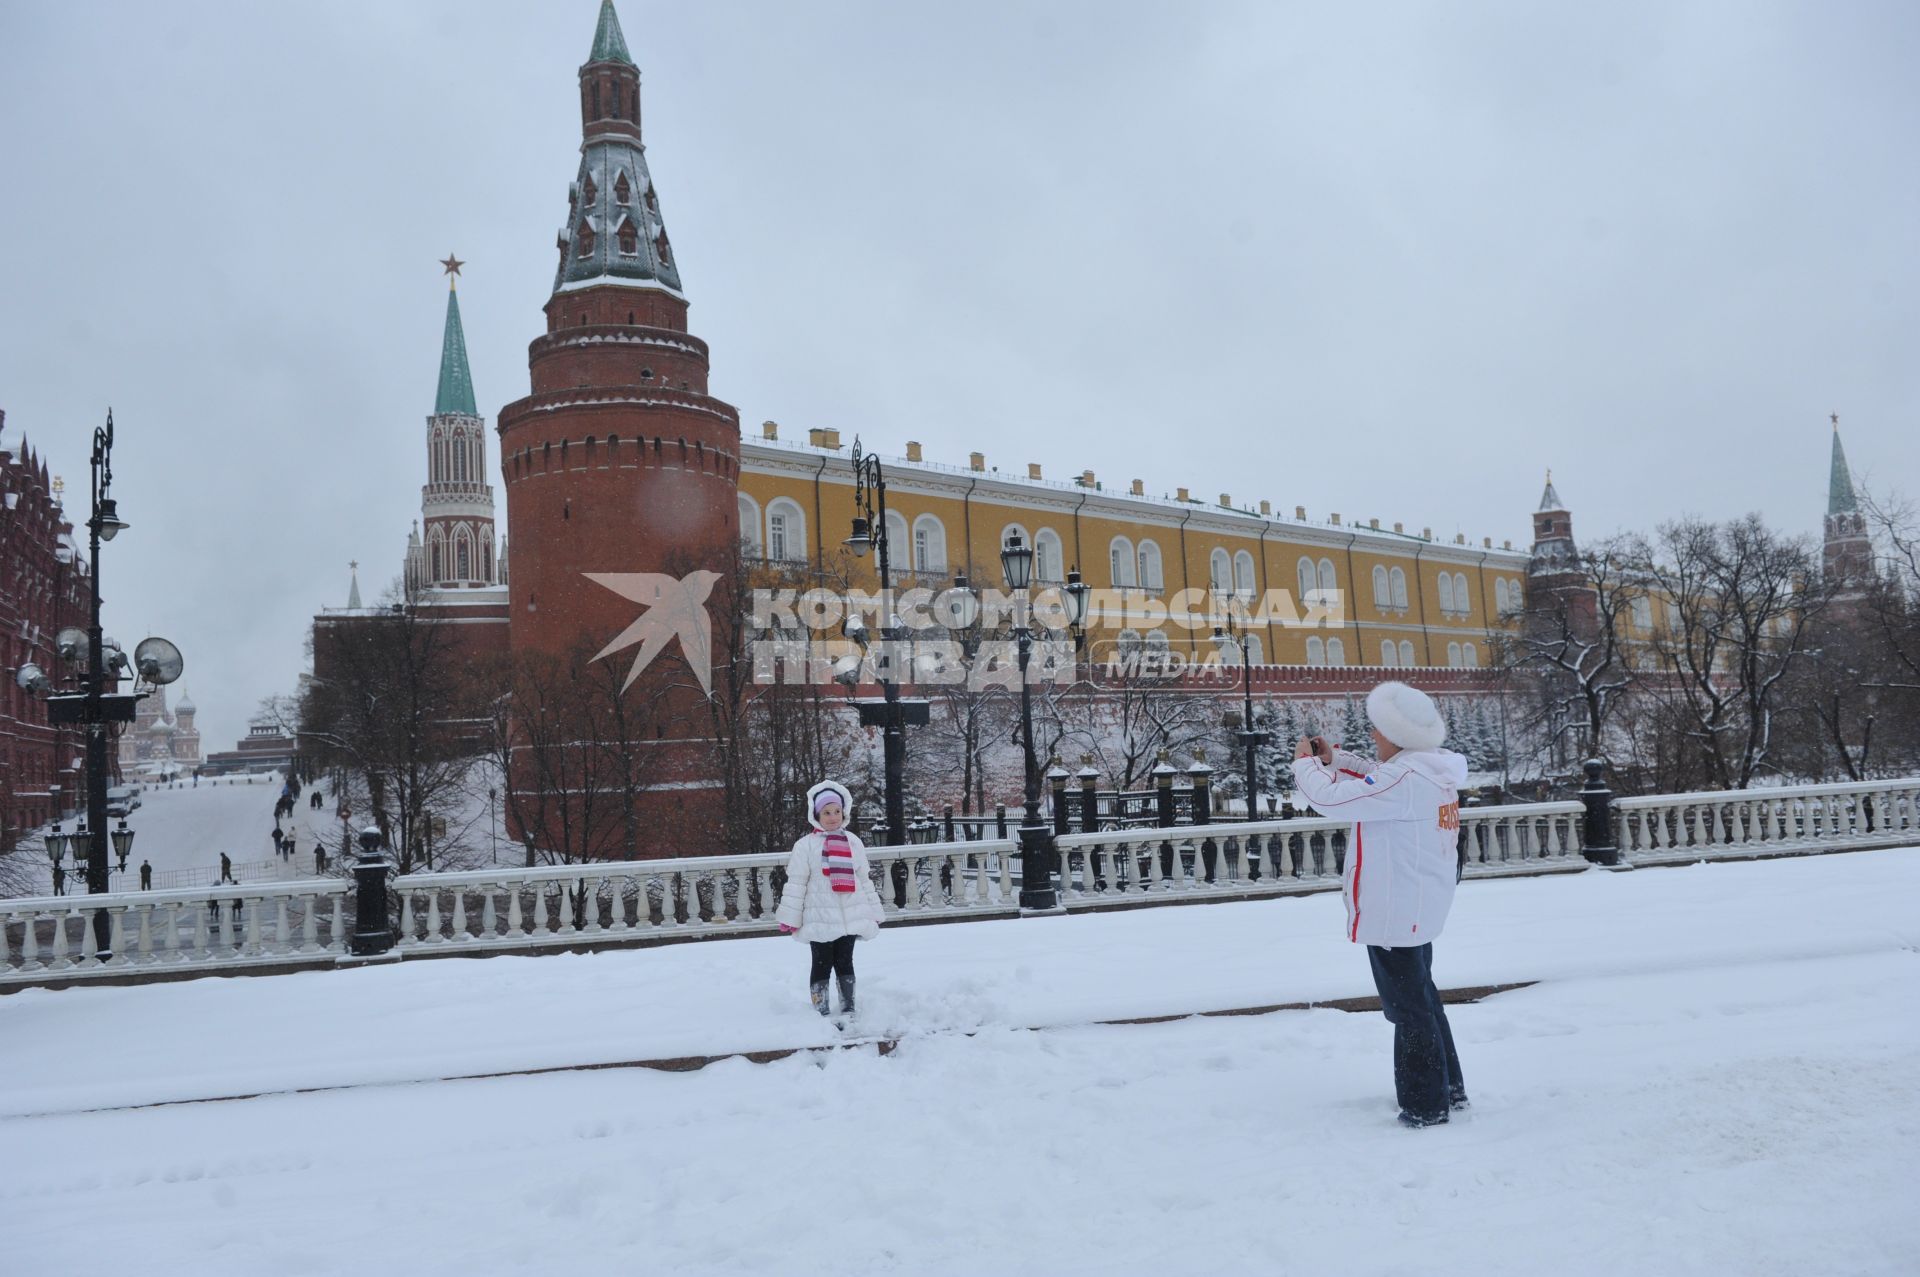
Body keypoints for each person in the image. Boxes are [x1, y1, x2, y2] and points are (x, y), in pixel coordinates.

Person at [1291, 681, 1471, 1129]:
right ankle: (1450, 1090)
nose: (1373, 735)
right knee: (1424, 999)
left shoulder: (1406, 779)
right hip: (1418, 908)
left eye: (1378, 729)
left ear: (1396, 734)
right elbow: (1376, 776)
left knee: (1409, 1010)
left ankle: (1425, 1106)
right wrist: (1337, 760)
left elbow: (1329, 799)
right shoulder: (1433, 770)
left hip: (1395, 913)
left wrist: (1306, 765)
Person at [775, 780, 885, 1020]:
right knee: (822, 962)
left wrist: (875, 912)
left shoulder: (853, 842)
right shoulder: (805, 846)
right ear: (816, 815)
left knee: (845, 962)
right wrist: (790, 917)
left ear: (844, 813)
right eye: (826, 812)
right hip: (820, 917)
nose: (832, 817)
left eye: (837, 811)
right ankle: (821, 1008)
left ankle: (848, 1006)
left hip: (849, 915)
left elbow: (863, 878)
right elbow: (796, 883)